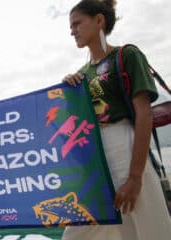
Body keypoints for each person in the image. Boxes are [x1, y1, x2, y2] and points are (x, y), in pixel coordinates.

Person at [62, 0, 171, 239]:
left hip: (126, 147)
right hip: (96, 156)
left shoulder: (127, 55)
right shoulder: (81, 74)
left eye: (77, 24)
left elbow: (144, 113)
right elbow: (76, 123)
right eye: (71, 26)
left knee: (143, 228)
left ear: (99, 20)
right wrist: (70, 92)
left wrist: (135, 177)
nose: (72, 31)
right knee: (77, 232)